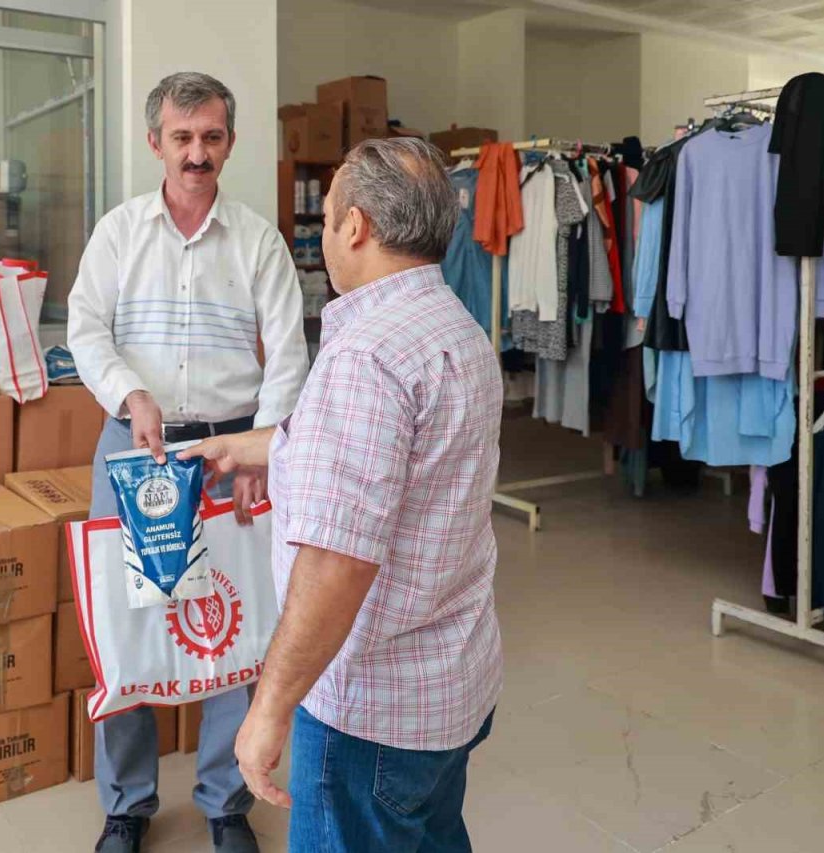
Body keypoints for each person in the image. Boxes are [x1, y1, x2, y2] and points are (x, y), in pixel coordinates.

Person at [180, 137, 503, 852]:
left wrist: (268, 708)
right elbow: (404, 466)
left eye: (328, 218)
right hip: (450, 685)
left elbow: (337, 561)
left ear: (355, 226)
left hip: (370, 714)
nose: (327, 232)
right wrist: (257, 446)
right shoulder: (458, 332)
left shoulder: (364, 356)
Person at [67, 71, 310, 853]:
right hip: (134, 448)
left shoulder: (259, 240)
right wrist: (131, 393)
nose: (197, 153)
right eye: (182, 137)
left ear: (229, 142)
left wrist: (264, 445)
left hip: (232, 448)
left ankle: (226, 801)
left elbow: (289, 353)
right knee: (129, 627)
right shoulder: (118, 233)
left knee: (237, 626)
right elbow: (85, 329)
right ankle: (128, 805)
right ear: (155, 144)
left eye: (211, 137)